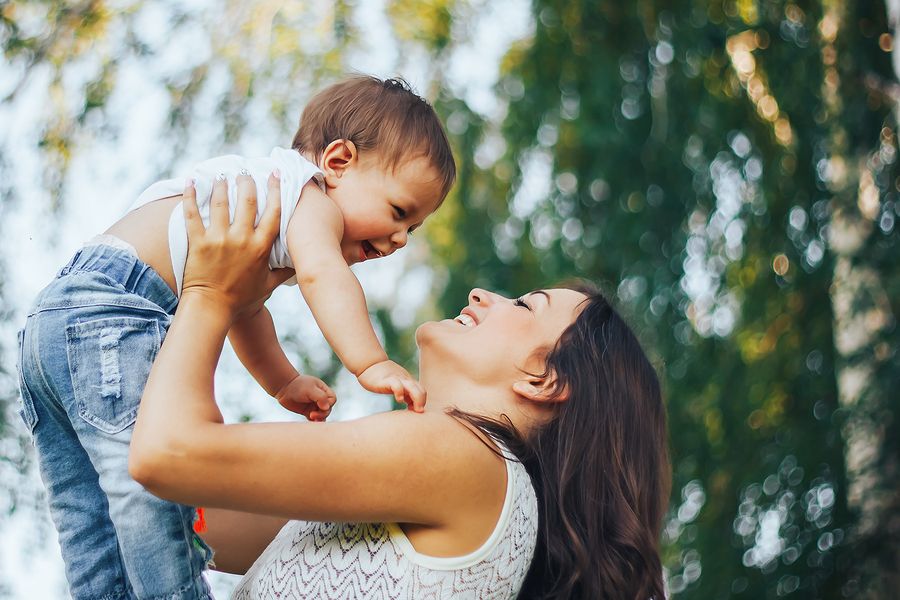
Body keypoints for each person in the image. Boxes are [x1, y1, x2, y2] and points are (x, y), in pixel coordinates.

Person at [15, 75, 454, 599]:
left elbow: (245, 309)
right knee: (152, 497)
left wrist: (282, 382)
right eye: (399, 212)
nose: (401, 238)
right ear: (338, 162)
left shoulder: (266, 205)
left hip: (53, 327)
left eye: (414, 228)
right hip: (115, 315)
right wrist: (370, 363)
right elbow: (324, 277)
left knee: (89, 515)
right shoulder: (310, 198)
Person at [128, 175, 672, 599]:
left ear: (544, 379)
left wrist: (209, 293)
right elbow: (183, 510)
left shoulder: (469, 457)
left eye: (526, 305)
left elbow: (167, 456)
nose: (484, 294)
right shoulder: (459, 485)